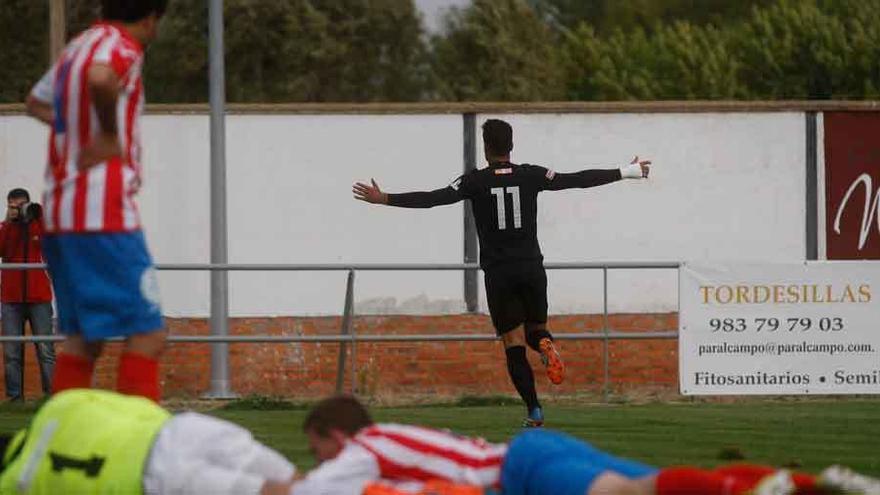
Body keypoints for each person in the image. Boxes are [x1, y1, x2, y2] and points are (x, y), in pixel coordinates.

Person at [353, 119, 651, 426]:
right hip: (531, 267)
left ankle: (534, 410)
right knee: (536, 329)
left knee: (513, 344)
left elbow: (434, 198)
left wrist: (386, 198)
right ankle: (545, 345)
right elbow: (575, 179)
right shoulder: (531, 174)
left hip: (499, 272)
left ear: (486, 148)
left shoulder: (474, 181)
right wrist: (626, 171)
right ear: (511, 145)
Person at [24, 0, 169, 401]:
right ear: (151, 18)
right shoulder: (121, 45)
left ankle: (61, 442)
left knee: (84, 339)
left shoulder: (78, 46)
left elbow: (34, 101)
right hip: (102, 214)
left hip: (59, 215)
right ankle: (135, 444)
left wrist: (73, 128)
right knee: (147, 334)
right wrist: (106, 133)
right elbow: (103, 79)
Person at [299, 396, 880, 495]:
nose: (321, 461)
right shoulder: (393, 439)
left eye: (318, 449)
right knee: (660, 488)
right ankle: (817, 483)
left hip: (520, 472)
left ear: (337, 436)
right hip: (531, 455)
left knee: (633, 492)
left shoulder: (362, 450)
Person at [0, 389, 296, 495]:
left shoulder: (13, 485)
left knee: (268, 493)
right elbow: (134, 405)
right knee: (301, 484)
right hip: (182, 431)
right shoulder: (58, 406)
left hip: (156, 477)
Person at [0, 188, 55, 401]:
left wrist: (38, 216)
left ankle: (51, 398)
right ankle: (15, 399)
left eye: (21, 205)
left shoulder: (38, 225)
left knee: (46, 350)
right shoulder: (6, 227)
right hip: (11, 299)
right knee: (12, 352)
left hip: (39, 297)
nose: (18, 210)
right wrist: (9, 222)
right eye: (13, 206)